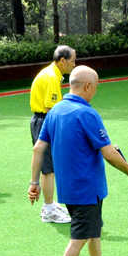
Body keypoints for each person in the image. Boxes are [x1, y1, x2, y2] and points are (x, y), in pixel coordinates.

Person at [28, 65, 128, 256]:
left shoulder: (55, 111)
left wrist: (34, 182)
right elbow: (109, 153)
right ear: (88, 86)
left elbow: (38, 148)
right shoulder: (87, 114)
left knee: (93, 229)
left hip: (69, 188)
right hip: (86, 188)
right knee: (79, 237)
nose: (96, 91)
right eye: (96, 87)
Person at [28, 44, 77, 224]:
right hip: (45, 121)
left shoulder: (53, 74)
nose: (74, 64)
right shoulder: (51, 77)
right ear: (62, 60)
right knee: (48, 168)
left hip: (42, 120)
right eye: (72, 61)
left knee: (50, 167)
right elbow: (52, 109)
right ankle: (48, 209)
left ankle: (50, 204)